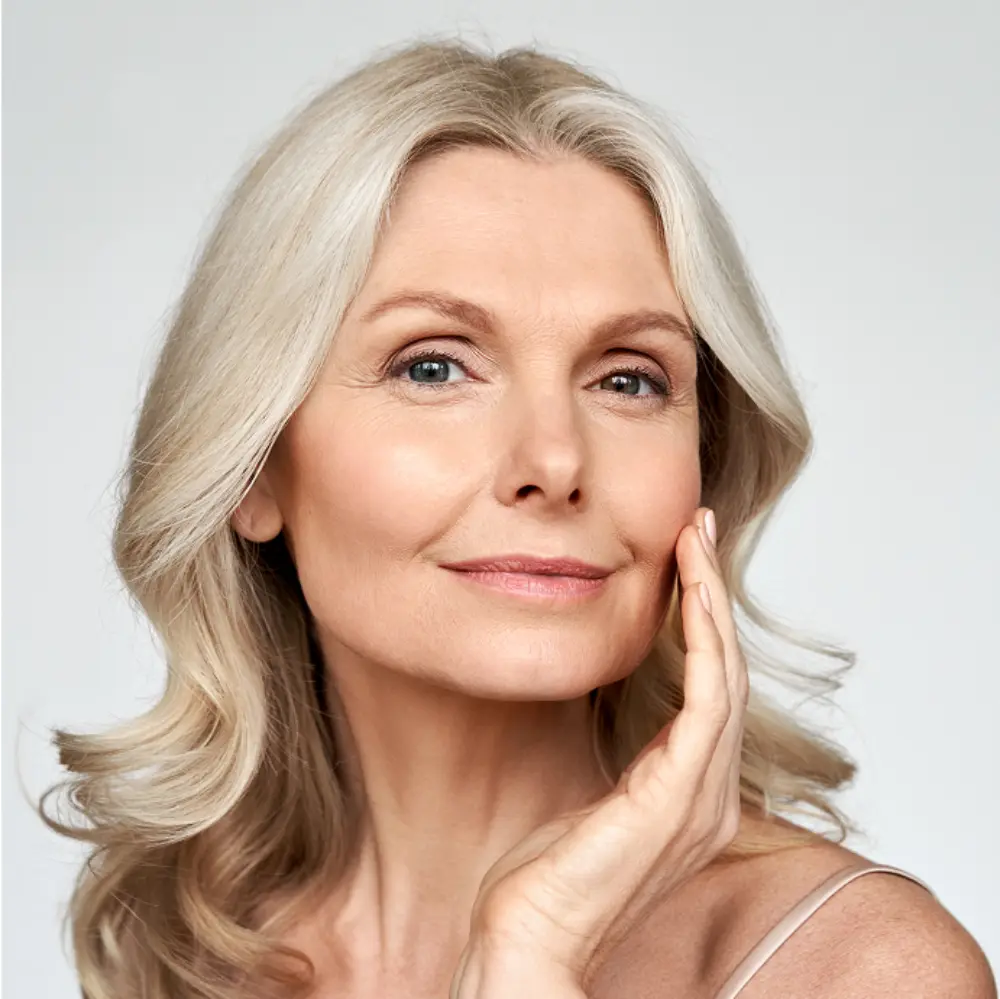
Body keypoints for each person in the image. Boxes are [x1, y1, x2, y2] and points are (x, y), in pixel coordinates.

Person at [39, 37, 995, 999]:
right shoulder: (183, 948)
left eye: (628, 378)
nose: (554, 462)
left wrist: (533, 954)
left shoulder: (860, 970)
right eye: (433, 365)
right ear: (252, 467)